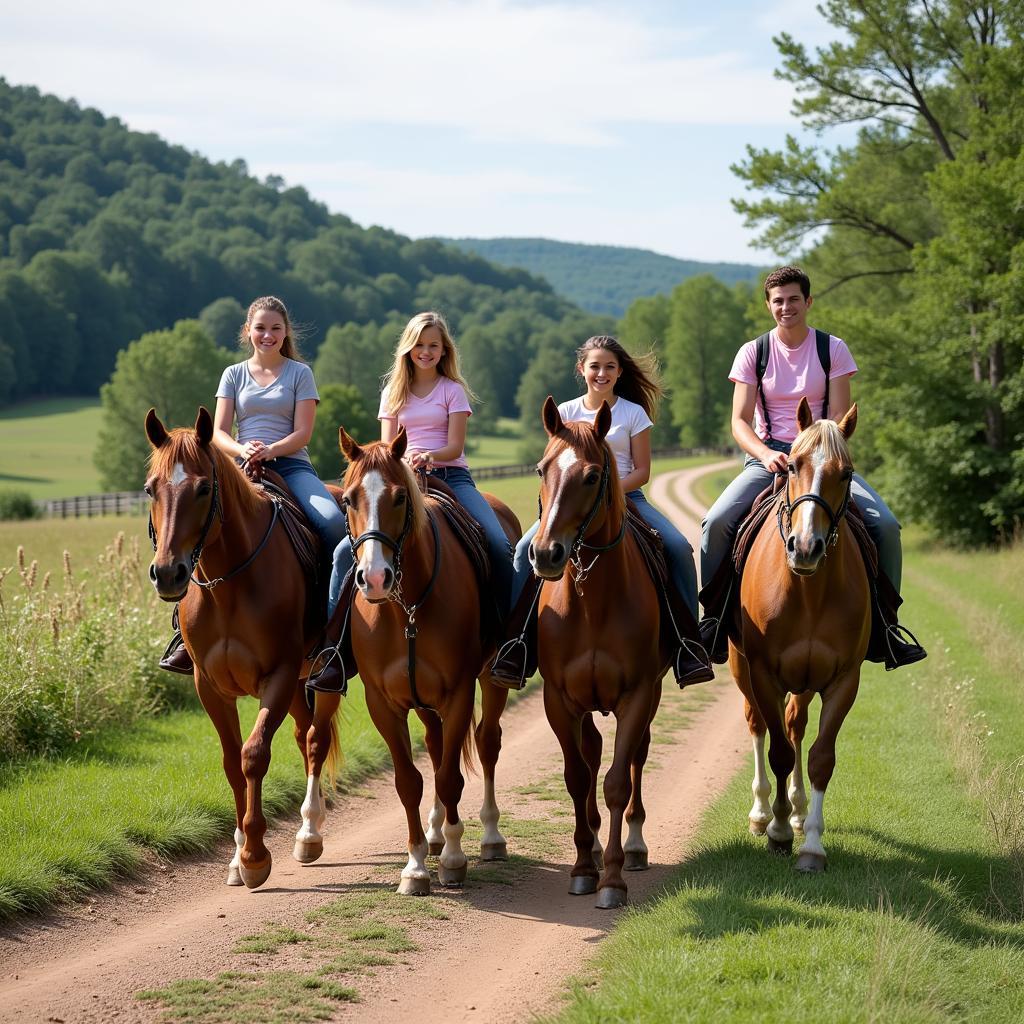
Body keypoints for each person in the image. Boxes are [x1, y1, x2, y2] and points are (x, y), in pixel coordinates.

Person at [699, 265, 926, 670]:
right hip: (768, 457)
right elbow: (739, 420)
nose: (786, 307)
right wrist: (766, 454)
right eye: (778, 301)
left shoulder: (832, 349)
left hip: (822, 455)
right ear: (769, 305)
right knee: (716, 522)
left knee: (886, 526)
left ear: (808, 302)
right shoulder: (754, 352)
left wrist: (815, 451)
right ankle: (713, 621)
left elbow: (839, 417)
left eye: (793, 300)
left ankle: (887, 627)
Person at [491, 335, 714, 689]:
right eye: (595, 366)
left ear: (619, 371)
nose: (602, 373)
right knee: (522, 551)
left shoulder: (632, 413)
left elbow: (642, 470)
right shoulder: (564, 412)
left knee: (678, 548)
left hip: (627, 499)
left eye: (610, 366)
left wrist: (608, 493)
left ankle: (689, 644)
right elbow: (556, 468)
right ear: (582, 370)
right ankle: (516, 643)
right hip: (569, 501)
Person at [159, 296, 347, 676]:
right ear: (248, 332)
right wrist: (244, 448)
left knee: (331, 524)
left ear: (285, 333)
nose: (268, 335)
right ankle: (185, 633)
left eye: (276, 328)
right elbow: (219, 434)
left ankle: (333, 634)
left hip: (292, 466)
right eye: (261, 328)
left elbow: (303, 432)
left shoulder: (299, 374)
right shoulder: (233, 374)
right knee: (192, 525)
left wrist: (271, 449)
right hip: (241, 468)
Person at [321, 309, 514, 644]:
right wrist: (404, 463)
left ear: (444, 351)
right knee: (342, 553)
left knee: (499, 543)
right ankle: (334, 645)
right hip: (401, 481)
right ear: (408, 348)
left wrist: (429, 455)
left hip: (451, 477)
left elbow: (454, 446)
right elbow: (386, 446)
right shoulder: (393, 393)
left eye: (434, 345)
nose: (426, 351)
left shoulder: (451, 390)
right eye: (420, 344)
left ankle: (508, 636)